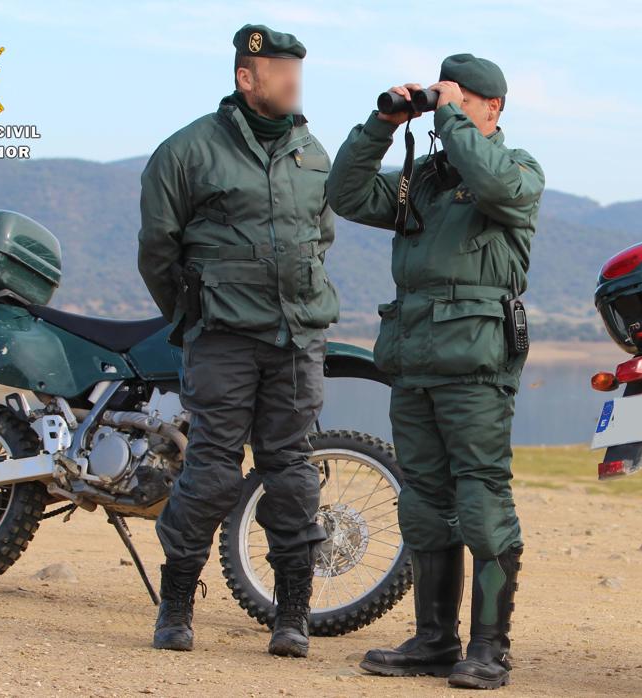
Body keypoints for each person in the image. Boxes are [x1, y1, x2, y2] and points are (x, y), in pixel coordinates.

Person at [326, 53, 544, 689]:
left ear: (491, 108)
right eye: (443, 98)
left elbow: (495, 181)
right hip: (413, 357)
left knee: (480, 497)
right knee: (423, 501)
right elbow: (344, 194)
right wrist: (382, 124)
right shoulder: (419, 182)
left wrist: (450, 118)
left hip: (476, 362)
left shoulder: (515, 170)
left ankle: (489, 648)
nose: (447, 108)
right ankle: (433, 641)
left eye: (461, 98)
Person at [136, 23, 339, 658]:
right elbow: (156, 251)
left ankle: (292, 616)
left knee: (293, 475)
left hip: (296, 337)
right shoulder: (188, 150)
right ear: (246, 77)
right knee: (211, 473)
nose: (291, 82)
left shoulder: (313, 152)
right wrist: (194, 314)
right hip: (222, 338)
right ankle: (175, 608)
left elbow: (320, 236)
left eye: (295, 72)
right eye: (279, 71)